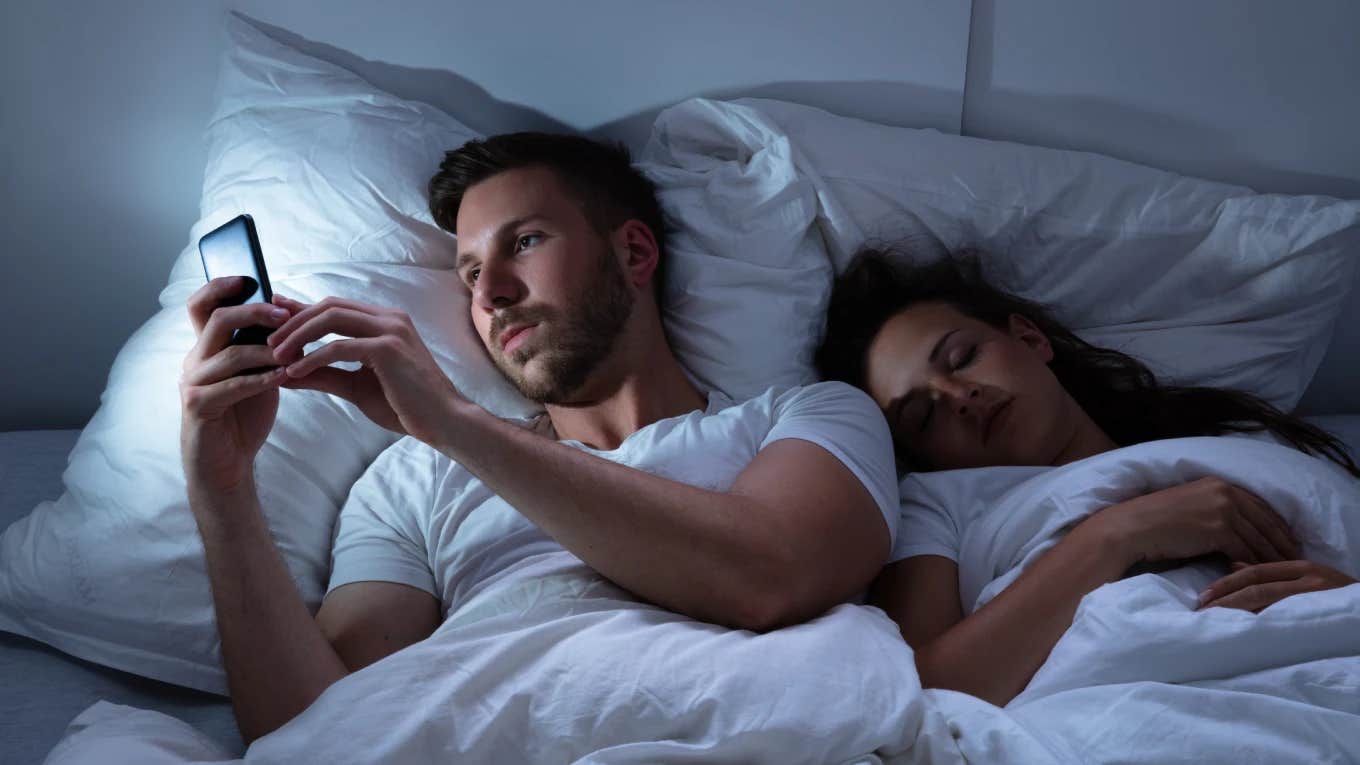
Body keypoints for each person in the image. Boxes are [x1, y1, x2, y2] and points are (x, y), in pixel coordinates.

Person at [177, 133, 900, 744]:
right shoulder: (415, 478)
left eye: (523, 243)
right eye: (468, 273)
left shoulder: (809, 418)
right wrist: (224, 491)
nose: (488, 293)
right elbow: (320, 731)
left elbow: (767, 577)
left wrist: (456, 421)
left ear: (635, 254)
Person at [815, 245, 1360, 707]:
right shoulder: (936, 505)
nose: (960, 397)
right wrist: (1119, 534)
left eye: (962, 358)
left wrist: (1343, 599)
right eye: (923, 415)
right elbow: (924, 692)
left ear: (1030, 339)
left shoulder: (1238, 440)